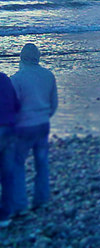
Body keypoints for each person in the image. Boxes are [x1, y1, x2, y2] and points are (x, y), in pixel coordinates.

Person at [10, 43, 58, 214]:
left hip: (24, 126)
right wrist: (45, 116)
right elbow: (54, 104)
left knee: (18, 164)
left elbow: (12, 108)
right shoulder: (48, 75)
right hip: (43, 124)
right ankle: (42, 199)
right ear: (38, 57)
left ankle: (21, 205)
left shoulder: (16, 78)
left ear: (22, 58)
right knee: (42, 163)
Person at [0, 73, 20, 227]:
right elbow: (17, 105)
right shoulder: (5, 79)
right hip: (9, 130)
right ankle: (5, 216)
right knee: (7, 174)